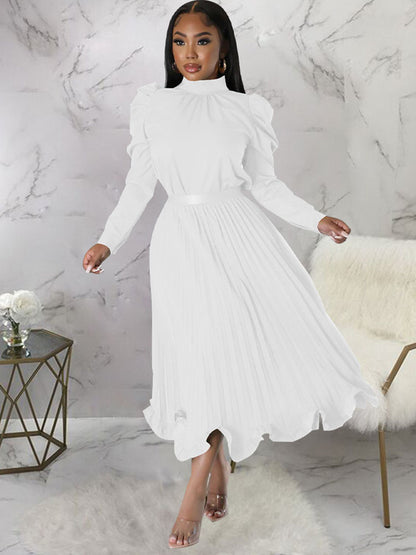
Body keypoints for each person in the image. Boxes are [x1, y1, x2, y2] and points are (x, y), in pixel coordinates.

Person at [82, 1, 381, 549]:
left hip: (241, 239)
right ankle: (217, 460)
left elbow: (264, 185)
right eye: (179, 41)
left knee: (225, 350)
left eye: (202, 41)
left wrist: (315, 219)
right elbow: (138, 186)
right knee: (197, 355)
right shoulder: (152, 105)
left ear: (223, 49)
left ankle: (196, 484)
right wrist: (108, 239)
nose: (189, 53)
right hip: (180, 243)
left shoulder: (248, 109)